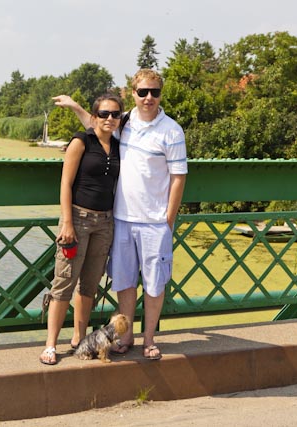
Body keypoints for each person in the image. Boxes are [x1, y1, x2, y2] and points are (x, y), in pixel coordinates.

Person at [52, 69, 187, 360]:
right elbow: (97, 123)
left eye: (154, 92)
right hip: (122, 219)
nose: (149, 97)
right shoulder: (124, 122)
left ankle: (149, 339)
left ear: (160, 94)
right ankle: (126, 338)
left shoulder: (172, 131)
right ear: (134, 93)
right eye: (143, 92)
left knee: (154, 284)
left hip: (155, 222)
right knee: (124, 283)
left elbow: (179, 178)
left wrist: (168, 220)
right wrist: (75, 106)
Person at [39, 93, 123, 365]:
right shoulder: (81, 141)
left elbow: (103, 125)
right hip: (78, 219)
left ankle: (79, 338)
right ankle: (51, 345)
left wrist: (76, 106)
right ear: (95, 116)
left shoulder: (119, 145)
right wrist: (67, 223)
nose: (109, 118)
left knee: (89, 284)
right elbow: (65, 183)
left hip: (105, 222)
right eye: (104, 114)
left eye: (115, 114)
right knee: (64, 282)